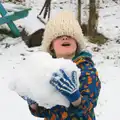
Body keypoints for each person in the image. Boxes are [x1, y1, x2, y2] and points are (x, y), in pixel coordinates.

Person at [22, 11, 101, 120]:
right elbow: (44, 111)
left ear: (77, 43)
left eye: (70, 35)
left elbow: (90, 102)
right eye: (59, 36)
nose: (65, 38)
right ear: (51, 46)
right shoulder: (46, 69)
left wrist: (76, 99)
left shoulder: (85, 67)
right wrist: (33, 103)